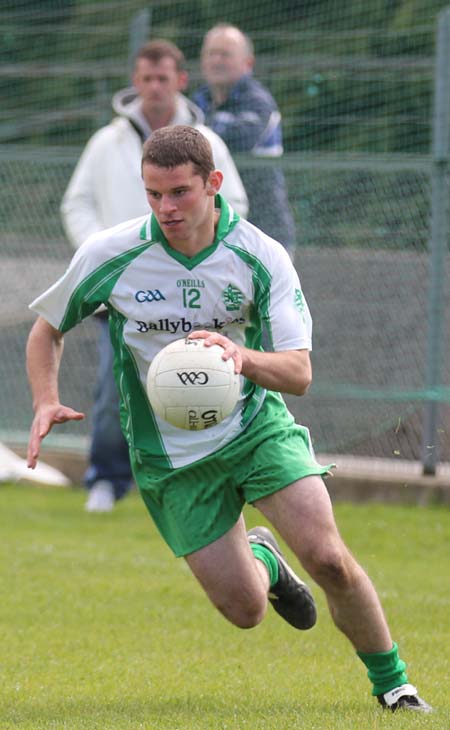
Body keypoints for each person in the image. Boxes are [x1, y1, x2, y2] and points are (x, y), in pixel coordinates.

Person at [27, 125, 431, 714]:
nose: (166, 208)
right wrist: (44, 399)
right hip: (172, 458)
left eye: (180, 192)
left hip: (254, 428)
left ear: (214, 184)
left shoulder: (259, 255)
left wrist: (241, 356)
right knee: (245, 611)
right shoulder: (112, 254)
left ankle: (395, 686)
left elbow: (298, 372)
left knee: (326, 557)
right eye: (154, 194)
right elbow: (48, 329)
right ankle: (263, 558)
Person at [60, 40, 248, 513]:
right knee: (113, 394)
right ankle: (107, 478)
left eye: (163, 78)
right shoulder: (106, 142)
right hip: (125, 298)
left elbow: (236, 208)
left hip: (198, 298)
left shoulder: (210, 145)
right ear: (135, 82)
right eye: (145, 79)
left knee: (206, 383)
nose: (154, 88)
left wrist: (203, 255)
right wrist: (105, 257)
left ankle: (207, 480)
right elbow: (76, 204)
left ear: (180, 81)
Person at [192, 23, 296, 254]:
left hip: (265, 231)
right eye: (211, 53)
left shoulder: (259, 102)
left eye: (225, 54)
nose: (217, 60)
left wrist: (198, 132)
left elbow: (234, 142)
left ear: (248, 63)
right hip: (217, 232)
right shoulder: (198, 101)